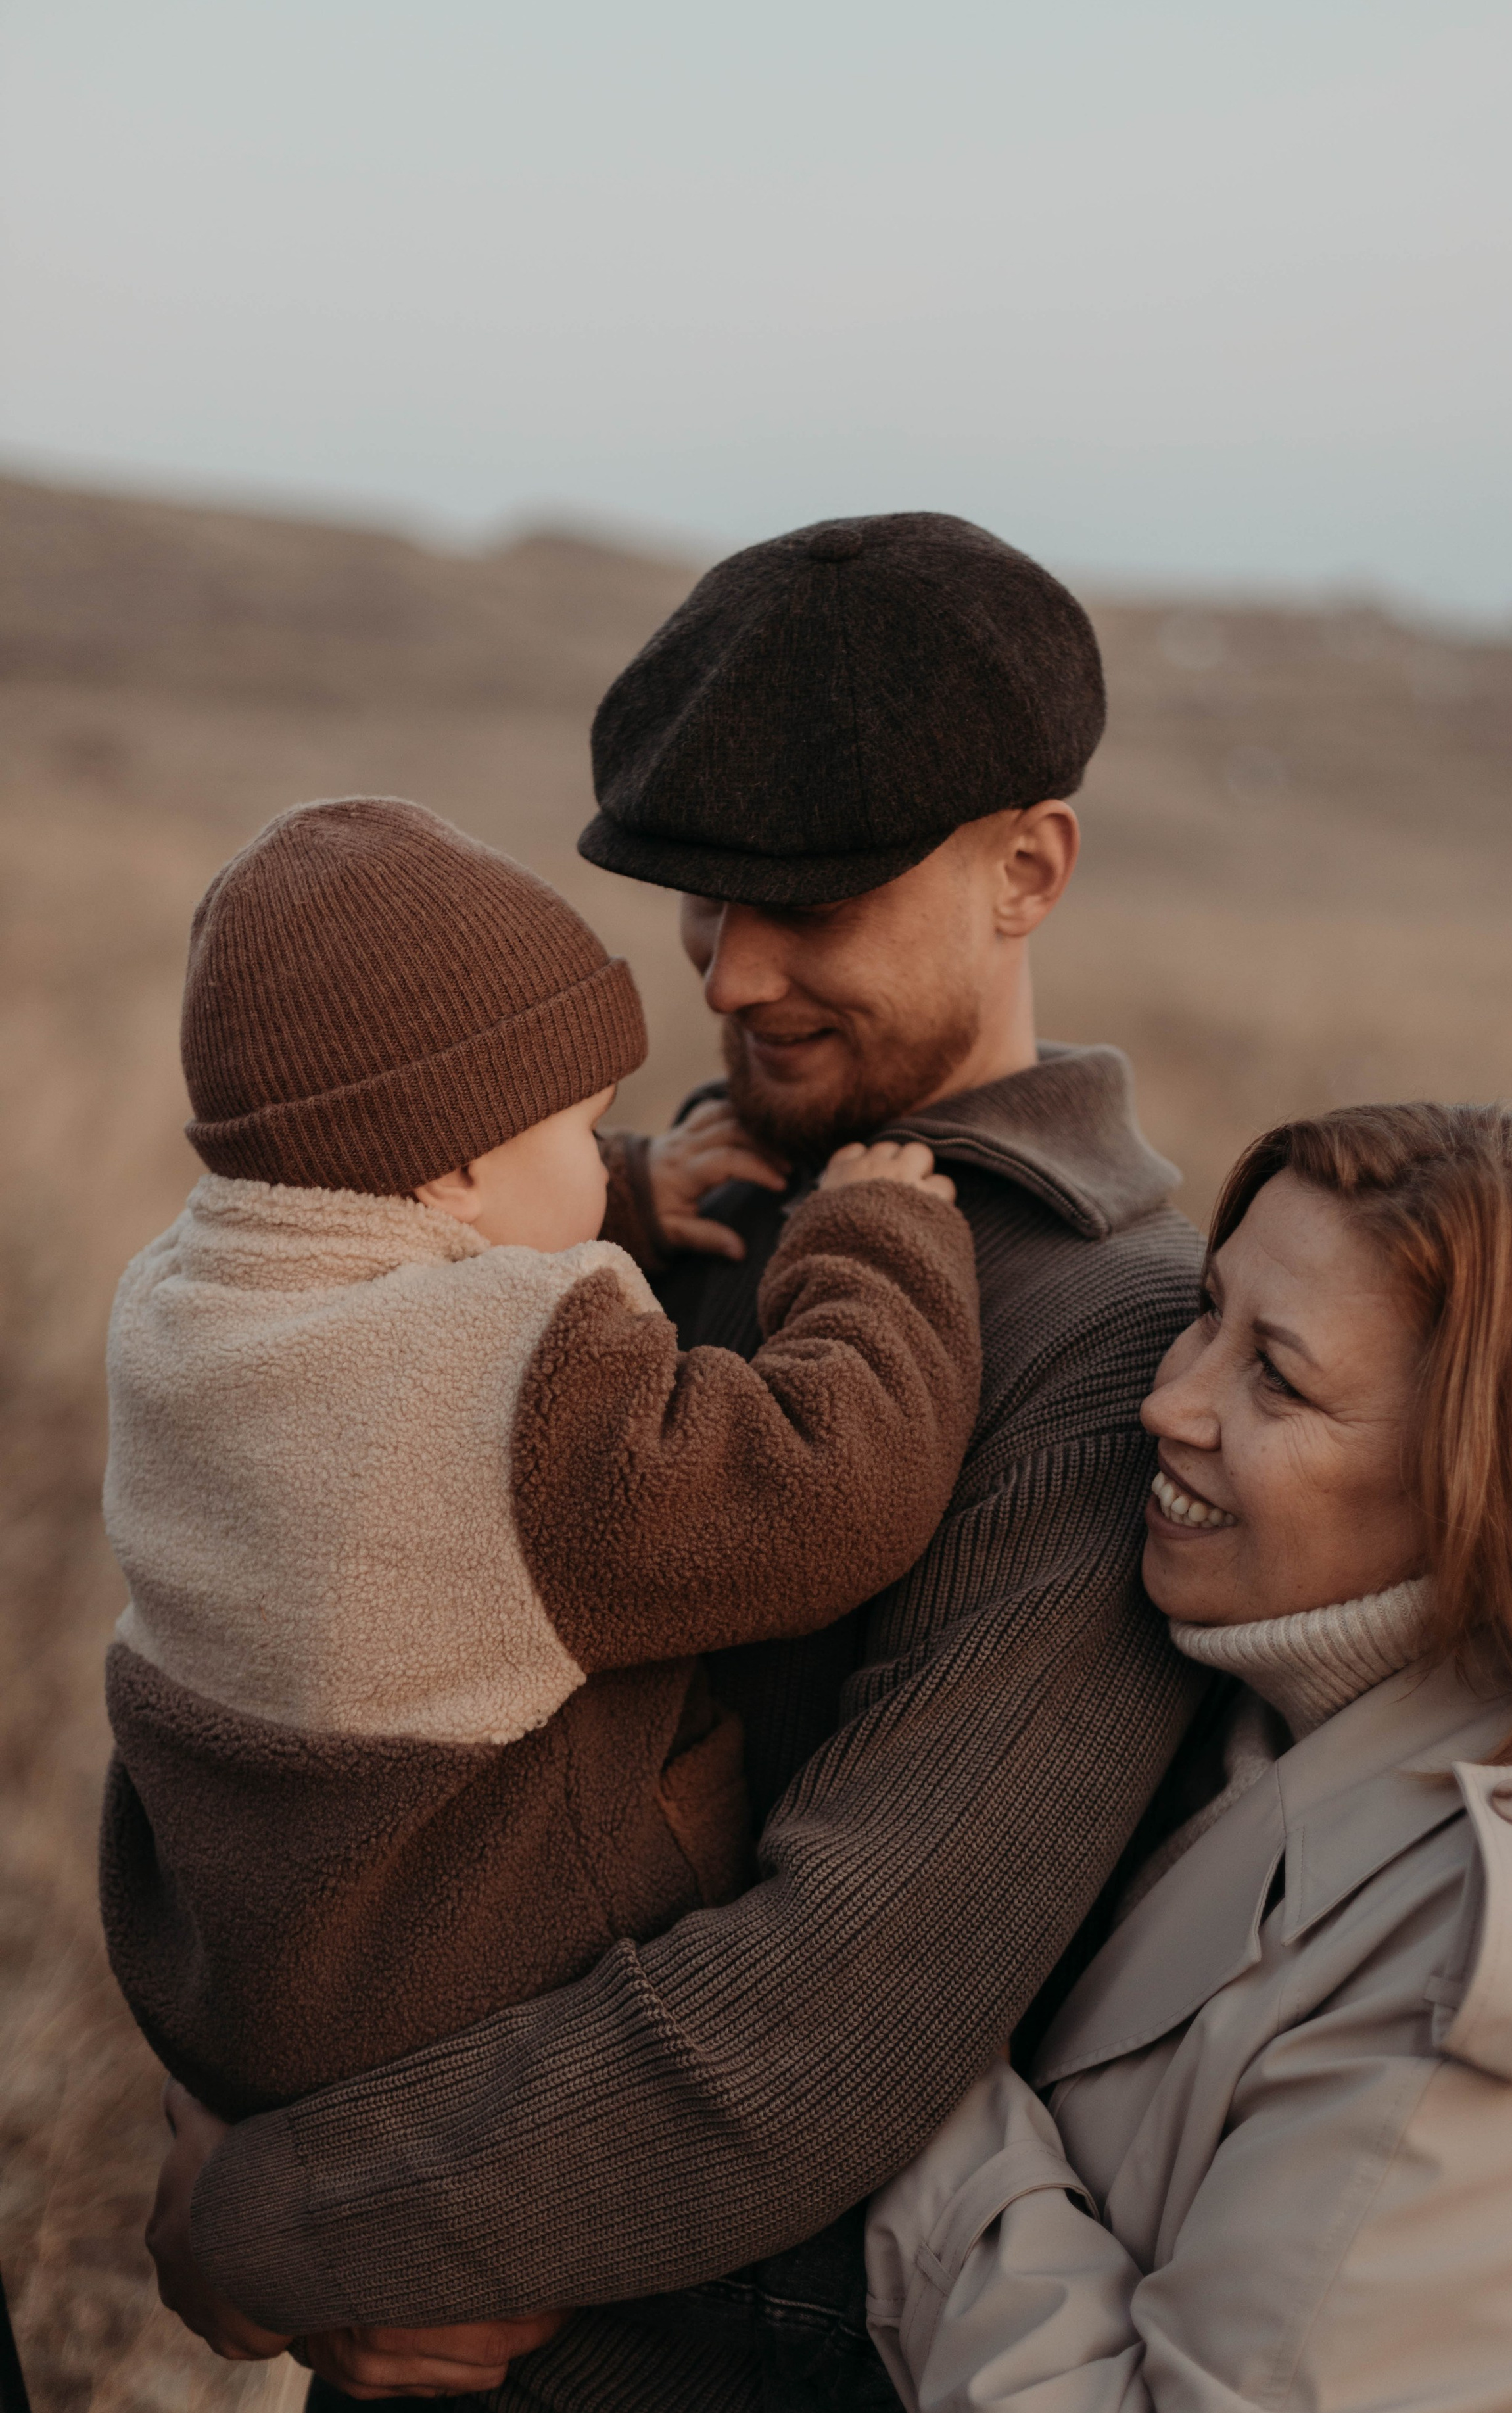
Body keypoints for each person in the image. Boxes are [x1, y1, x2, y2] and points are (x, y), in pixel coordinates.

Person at [146, 512, 1208, 2413]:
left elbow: (827, 2006)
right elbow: (272, 1674)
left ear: (1028, 867)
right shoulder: (617, 1201)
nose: (736, 973)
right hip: (402, 2381)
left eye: (810, 901)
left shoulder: (1112, 1349)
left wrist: (269, 2215)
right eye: (698, 902)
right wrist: (230, 2119)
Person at [101, 791, 980, 2122]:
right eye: (583, 1123)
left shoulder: (180, 1298)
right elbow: (832, 1487)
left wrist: (620, 1181)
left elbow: (371, 1226)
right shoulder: (522, 1394)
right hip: (445, 2004)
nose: (599, 1145)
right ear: (456, 1172)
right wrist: (869, 1241)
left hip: (226, 1974)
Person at [866, 1101, 1512, 2413]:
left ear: (1479, 1481)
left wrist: (888, 2053)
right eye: (1202, 1317)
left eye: (1278, 1384)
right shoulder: (1262, 1713)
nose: (1167, 1403)